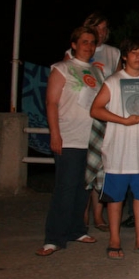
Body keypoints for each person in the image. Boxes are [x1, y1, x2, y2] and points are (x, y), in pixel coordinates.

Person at [90, 37, 139, 260]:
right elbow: (95, 109)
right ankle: (114, 239)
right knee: (115, 197)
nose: (138, 57)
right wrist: (123, 121)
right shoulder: (113, 81)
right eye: (134, 52)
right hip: (118, 151)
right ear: (125, 56)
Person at [37, 27, 104, 256]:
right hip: (69, 137)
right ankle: (53, 238)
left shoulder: (97, 72)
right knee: (65, 188)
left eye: (92, 42)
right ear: (74, 45)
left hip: (91, 139)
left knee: (84, 188)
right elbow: (51, 103)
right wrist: (55, 134)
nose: (89, 46)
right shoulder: (62, 68)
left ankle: (77, 230)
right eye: (84, 41)